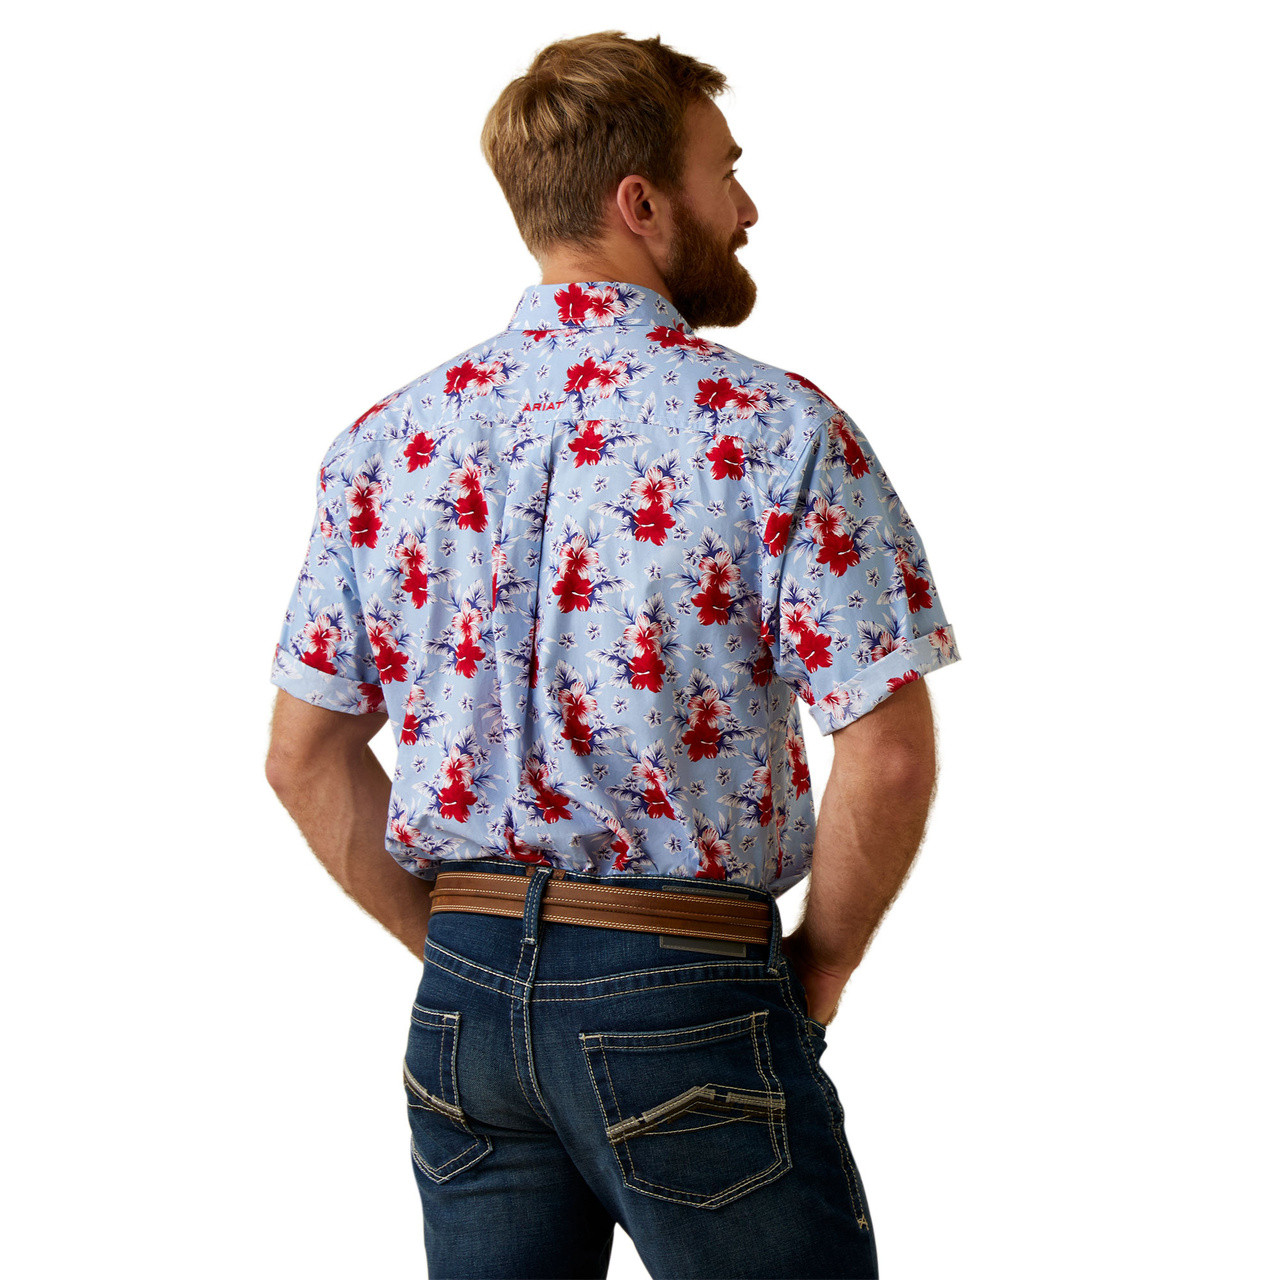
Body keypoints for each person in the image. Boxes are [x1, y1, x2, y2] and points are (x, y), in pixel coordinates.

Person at [265, 30, 960, 1279]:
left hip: (463, 1009)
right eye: (724, 172)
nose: (746, 209)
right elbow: (889, 751)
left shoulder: (388, 444)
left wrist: (467, 954)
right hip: (685, 987)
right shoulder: (772, 429)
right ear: (639, 203)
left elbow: (302, 755)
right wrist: (818, 966)